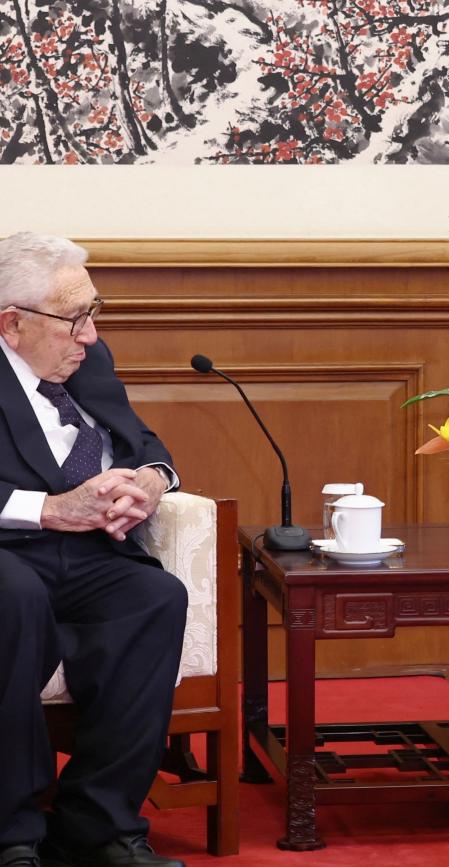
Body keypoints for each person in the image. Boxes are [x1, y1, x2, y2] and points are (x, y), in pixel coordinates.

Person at [0, 233, 187, 867]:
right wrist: (50, 509)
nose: (89, 335)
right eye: (75, 318)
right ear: (12, 323)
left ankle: (98, 826)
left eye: (93, 312)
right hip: (9, 547)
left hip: (88, 549)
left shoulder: (86, 360)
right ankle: (12, 834)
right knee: (15, 595)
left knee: (154, 596)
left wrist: (150, 483)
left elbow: (145, 441)